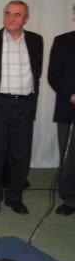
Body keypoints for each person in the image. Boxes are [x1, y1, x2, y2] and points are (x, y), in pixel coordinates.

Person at [0, 0, 43, 214]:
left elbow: (36, 72)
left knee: (20, 153)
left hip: (24, 104)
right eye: (8, 13)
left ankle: (15, 197)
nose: (11, 18)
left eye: (17, 14)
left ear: (26, 18)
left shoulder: (36, 40)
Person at [47, 30, 75, 215]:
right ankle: (70, 198)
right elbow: (54, 75)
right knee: (69, 157)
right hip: (69, 106)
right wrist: (71, 95)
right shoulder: (63, 41)